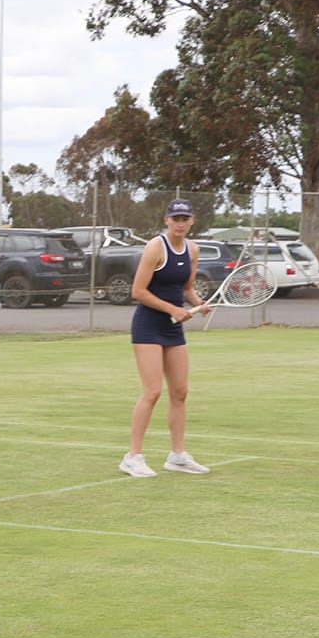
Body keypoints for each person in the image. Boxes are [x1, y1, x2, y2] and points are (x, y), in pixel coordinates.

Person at [119, 198, 212, 478]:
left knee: (180, 391)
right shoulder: (155, 248)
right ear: (166, 220)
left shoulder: (192, 249)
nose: (181, 223)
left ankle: (177, 456)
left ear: (192, 221)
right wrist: (173, 309)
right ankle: (132, 457)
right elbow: (138, 291)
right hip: (148, 325)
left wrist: (198, 302)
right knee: (153, 391)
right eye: (176, 219)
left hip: (173, 327)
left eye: (185, 218)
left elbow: (186, 288)